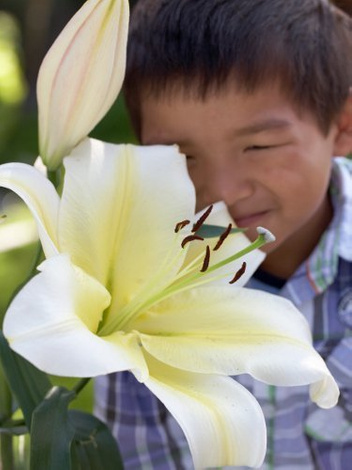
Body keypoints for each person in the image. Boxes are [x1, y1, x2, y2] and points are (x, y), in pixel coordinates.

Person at [94, 0, 352, 468]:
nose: (222, 194)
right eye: (181, 156)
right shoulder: (133, 295)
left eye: (259, 146)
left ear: (343, 126)